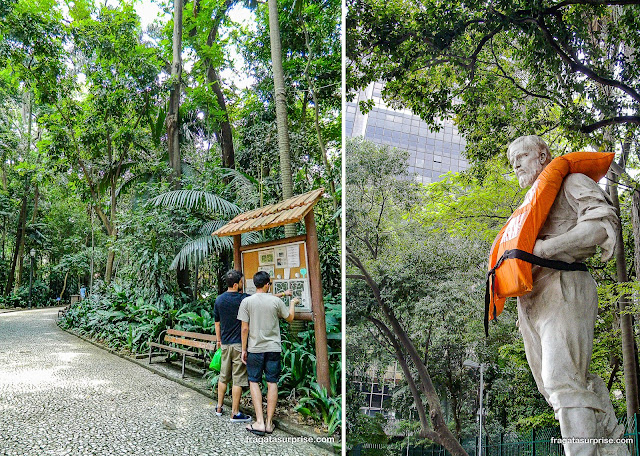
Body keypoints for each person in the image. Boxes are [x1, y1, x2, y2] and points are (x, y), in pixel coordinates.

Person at [507, 135, 627, 456]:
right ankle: (612, 445)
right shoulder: (528, 206)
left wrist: (547, 248)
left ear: (543, 156)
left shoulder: (571, 181)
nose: (515, 163)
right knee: (557, 388)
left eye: (521, 156)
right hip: (532, 301)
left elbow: (602, 227)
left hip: (566, 283)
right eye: (511, 160)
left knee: (561, 380)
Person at [237, 271, 298, 436]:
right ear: (267, 284)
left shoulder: (246, 302)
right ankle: (269, 423)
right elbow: (290, 317)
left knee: (254, 382)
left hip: (255, 349)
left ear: (255, 284)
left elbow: (244, 328)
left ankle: (259, 422)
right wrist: (292, 302)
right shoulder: (276, 301)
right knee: (272, 383)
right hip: (273, 348)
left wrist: (244, 349)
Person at [213, 269, 252, 423]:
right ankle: (235, 413)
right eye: (241, 282)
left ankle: (219, 407)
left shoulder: (219, 300)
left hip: (225, 345)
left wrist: (218, 341)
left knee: (223, 377)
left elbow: (217, 323)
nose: (243, 284)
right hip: (237, 345)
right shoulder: (244, 299)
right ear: (236, 284)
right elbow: (260, 299)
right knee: (238, 379)